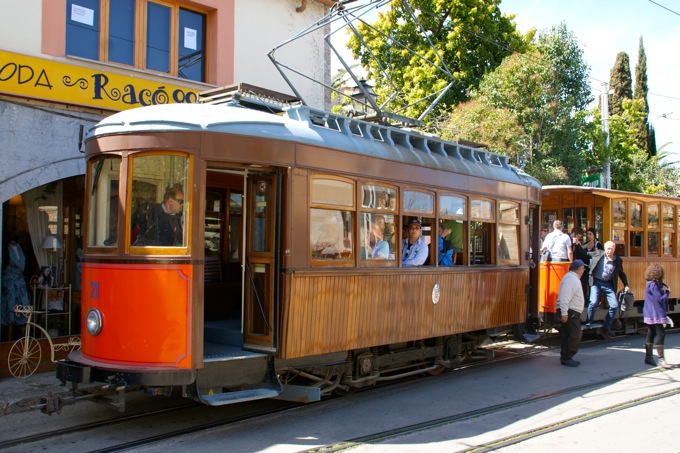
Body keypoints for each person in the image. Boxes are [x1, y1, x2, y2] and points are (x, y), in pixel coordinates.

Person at [585, 241, 630, 337]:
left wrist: (626, 285)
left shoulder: (617, 260)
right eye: (608, 249)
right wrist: (576, 245)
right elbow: (585, 254)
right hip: (596, 281)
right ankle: (589, 321)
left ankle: (607, 324)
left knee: (614, 305)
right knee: (593, 302)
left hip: (608, 284)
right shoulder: (598, 254)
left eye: (612, 249)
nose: (609, 251)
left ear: (614, 249)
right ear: (604, 249)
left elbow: (621, 273)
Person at [557, 259, 586, 367]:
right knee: (575, 334)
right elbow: (565, 297)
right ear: (578, 269)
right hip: (571, 311)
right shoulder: (571, 279)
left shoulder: (572, 278)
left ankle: (565, 357)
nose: (584, 270)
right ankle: (567, 357)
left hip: (571, 311)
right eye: (583, 268)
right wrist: (564, 312)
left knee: (568, 335)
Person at [642, 264, 672, 368]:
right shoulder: (654, 285)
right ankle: (661, 359)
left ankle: (648, 357)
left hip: (649, 313)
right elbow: (660, 299)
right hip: (656, 313)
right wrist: (668, 292)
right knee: (661, 334)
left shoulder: (649, 284)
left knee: (651, 333)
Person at [571, 227, 590, 303]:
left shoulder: (577, 243)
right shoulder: (570, 241)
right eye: (578, 237)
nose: (578, 239)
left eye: (580, 237)